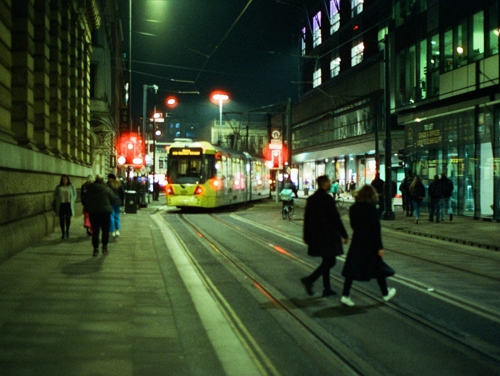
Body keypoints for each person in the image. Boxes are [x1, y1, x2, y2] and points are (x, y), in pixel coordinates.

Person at [340, 185, 396, 307]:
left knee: (352, 268)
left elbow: (353, 225)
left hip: (357, 240)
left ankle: (345, 295)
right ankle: (385, 293)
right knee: (378, 267)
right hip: (370, 242)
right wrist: (379, 247)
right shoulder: (371, 208)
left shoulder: (353, 208)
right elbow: (376, 229)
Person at [301, 175, 349, 297]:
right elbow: (335, 218)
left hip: (316, 236)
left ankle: (327, 288)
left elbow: (307, 219)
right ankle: (310, 280)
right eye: (328, 182)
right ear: (323, 184)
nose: (330, 184)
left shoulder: (311, 199)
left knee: (326, 260)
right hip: (328, 235)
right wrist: (344, 234)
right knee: (330, 261)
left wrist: (306, 235)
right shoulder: (327, 199)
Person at [85, 175, 115, 256]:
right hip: (105, 213)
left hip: (93, 213)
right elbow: (113, 199)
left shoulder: (90, 189)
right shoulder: (106, 189)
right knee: (105, 231)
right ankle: (104, 247)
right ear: (102, 180)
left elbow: (85, 200)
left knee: (95, 231)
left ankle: (96, 249)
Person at [53, 174, 77, 239]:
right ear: (61, 180)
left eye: (65, 179)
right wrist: (58, 199)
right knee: (61, 219)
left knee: (68, 219)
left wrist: (73, 200)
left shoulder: (71, 186)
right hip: (61, 204)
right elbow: (55, 194)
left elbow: (75, 194)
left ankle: (67, 231)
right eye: (63, 179)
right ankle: (63, 233)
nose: (64, 181)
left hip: (68, 204)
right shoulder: (58, 187)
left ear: (68, 180)